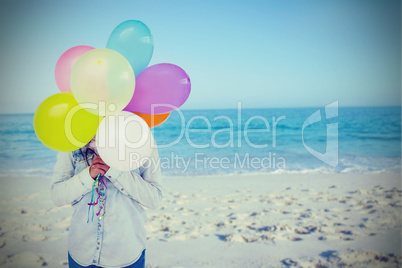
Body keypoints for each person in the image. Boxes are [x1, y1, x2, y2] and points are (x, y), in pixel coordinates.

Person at [51, 136, 163, 268]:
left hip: (126, 253)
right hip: (82, 251)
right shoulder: (73, 138)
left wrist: (115, 171)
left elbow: (154, 199)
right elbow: (57, 195)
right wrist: (88, 175)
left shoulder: (141, 136)